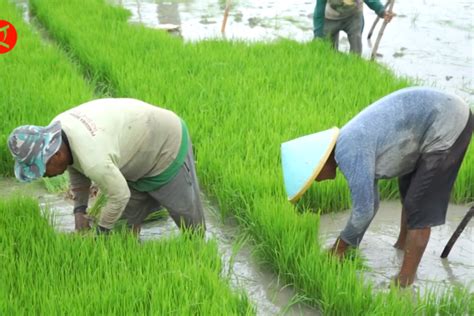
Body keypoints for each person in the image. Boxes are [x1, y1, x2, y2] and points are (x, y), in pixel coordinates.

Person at [281, 87, 472, 287]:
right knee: (409, 192)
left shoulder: (348, 152)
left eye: (313, 178)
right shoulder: (349, 144)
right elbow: (371, 205)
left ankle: (404, 281)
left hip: (448, 124)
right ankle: (400, 247)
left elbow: (363, 211)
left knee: (419, 205)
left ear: (318, 164)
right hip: (432, 122)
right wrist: (350, 244)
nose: (317, 182)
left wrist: (339, 248)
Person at [8, 98, 206, 235]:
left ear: (55, 154)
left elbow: (120, 196)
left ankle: (204, 265)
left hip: (166, 144)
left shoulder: (94, 159)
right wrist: (79, 210)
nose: (44, 175)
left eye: (42, 169)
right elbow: (76, 166)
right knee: (122, 232)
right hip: (134, 156)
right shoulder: (58, 133)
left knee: (191, 227)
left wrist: (101, 232)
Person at [313, 0, 394, 55]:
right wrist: (318, 34)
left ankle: (354, 67)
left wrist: (382, 11)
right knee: (326, 49)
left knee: (356, 46)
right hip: (332, 17)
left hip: (353, 17)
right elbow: (319, 11)